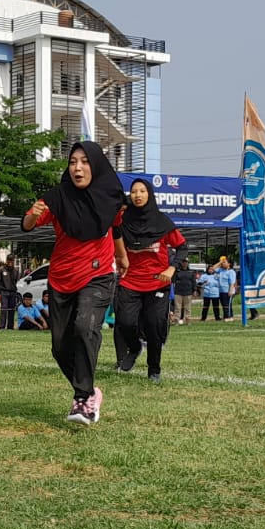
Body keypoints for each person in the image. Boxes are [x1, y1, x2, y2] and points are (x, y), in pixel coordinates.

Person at [22, 141, 125, 425]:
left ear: (96, 165)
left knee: (84, 327)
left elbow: (114, 227)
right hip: (61, 279)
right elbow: (29, 223)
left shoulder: (111, 197)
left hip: (98, 274)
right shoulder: (58, 198)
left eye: (84, 161)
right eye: (72, 162)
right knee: (59, 347)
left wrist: (122, 257)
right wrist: (32, 214)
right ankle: (90, 391)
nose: (78, 167)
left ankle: (83, 400)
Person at [114, 177, 187, 381]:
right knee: (124, 322)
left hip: (157, 282)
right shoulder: (123, 221)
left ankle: (154, 369)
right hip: (130, 280)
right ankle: (135, 347)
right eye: (134, 191)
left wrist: (172, 268)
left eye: (142, 191)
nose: (137, 195)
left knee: (154, 326)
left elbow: (182, 246)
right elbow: (113, 238)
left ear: (150, 195)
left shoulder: (162, 221)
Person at [0, 258, 20, 330]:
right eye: (9, 260)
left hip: (12, 292)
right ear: (6, 261)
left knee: (12, 309)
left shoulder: (15, 271)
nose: (10, 262)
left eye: (11, 260)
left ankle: (10, 326)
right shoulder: (1, 269)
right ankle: (2, 326)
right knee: (4, 309)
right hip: (4, 292)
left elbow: (17, 281)